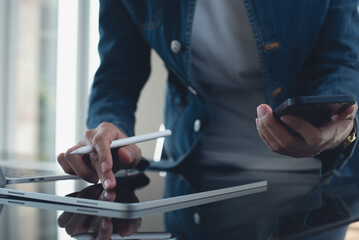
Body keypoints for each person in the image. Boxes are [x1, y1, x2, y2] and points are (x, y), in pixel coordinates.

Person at [57, 0, 359, 190]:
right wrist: (109, 130)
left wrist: (339, 124)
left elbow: (342, 61)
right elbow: (117, 74)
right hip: (192, 183)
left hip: (316, 185)